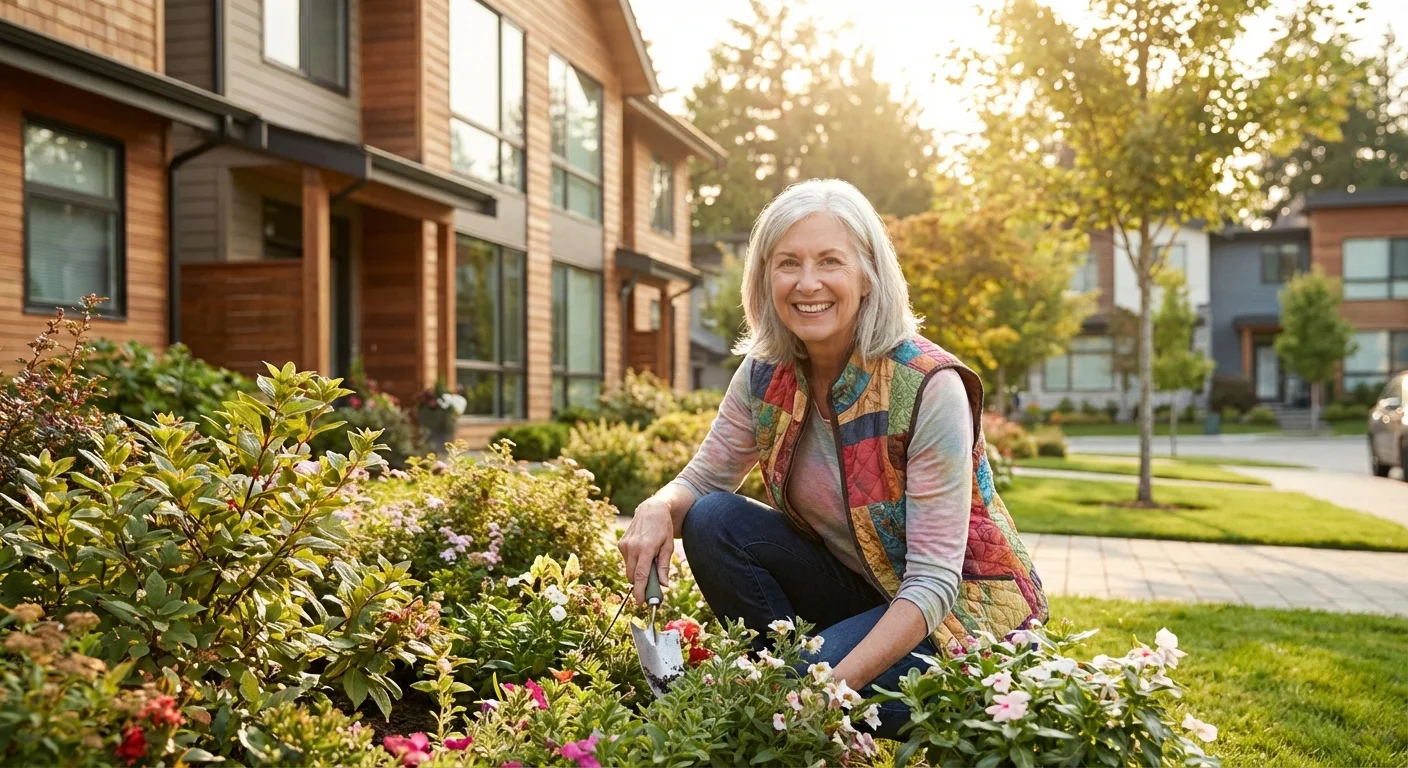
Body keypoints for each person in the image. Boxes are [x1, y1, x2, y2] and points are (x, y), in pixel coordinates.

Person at [616, 178, 1047, 737]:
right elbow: (701, 480)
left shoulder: (927, 386)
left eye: (829, 261)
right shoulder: (766, 372)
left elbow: (934, 583)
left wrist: (829, 692)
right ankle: (787, 687)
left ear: (867, 274)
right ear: (765, 275)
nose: (807, 282)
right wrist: (656, 506)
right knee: (713, 519)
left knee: (787, 688)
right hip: (861, 590)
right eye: (788, 262)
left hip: (957, 618)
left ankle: (795, 695)